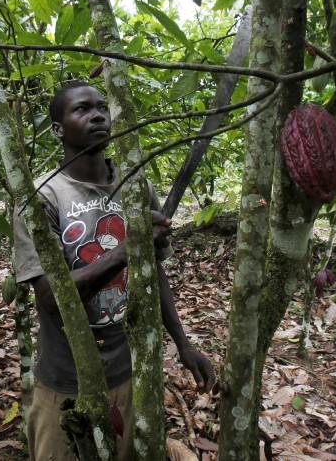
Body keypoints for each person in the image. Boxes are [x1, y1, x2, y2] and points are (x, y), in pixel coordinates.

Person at [13, 81, 216, 461]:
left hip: (130, 370)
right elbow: (51, 298)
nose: (97, 116)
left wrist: (182, 342)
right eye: (82, 109)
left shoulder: (136, 186)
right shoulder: (43, 197)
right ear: (58, 129)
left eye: (102, 108)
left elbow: (154, 272)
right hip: (66, 377)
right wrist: (126, 249)